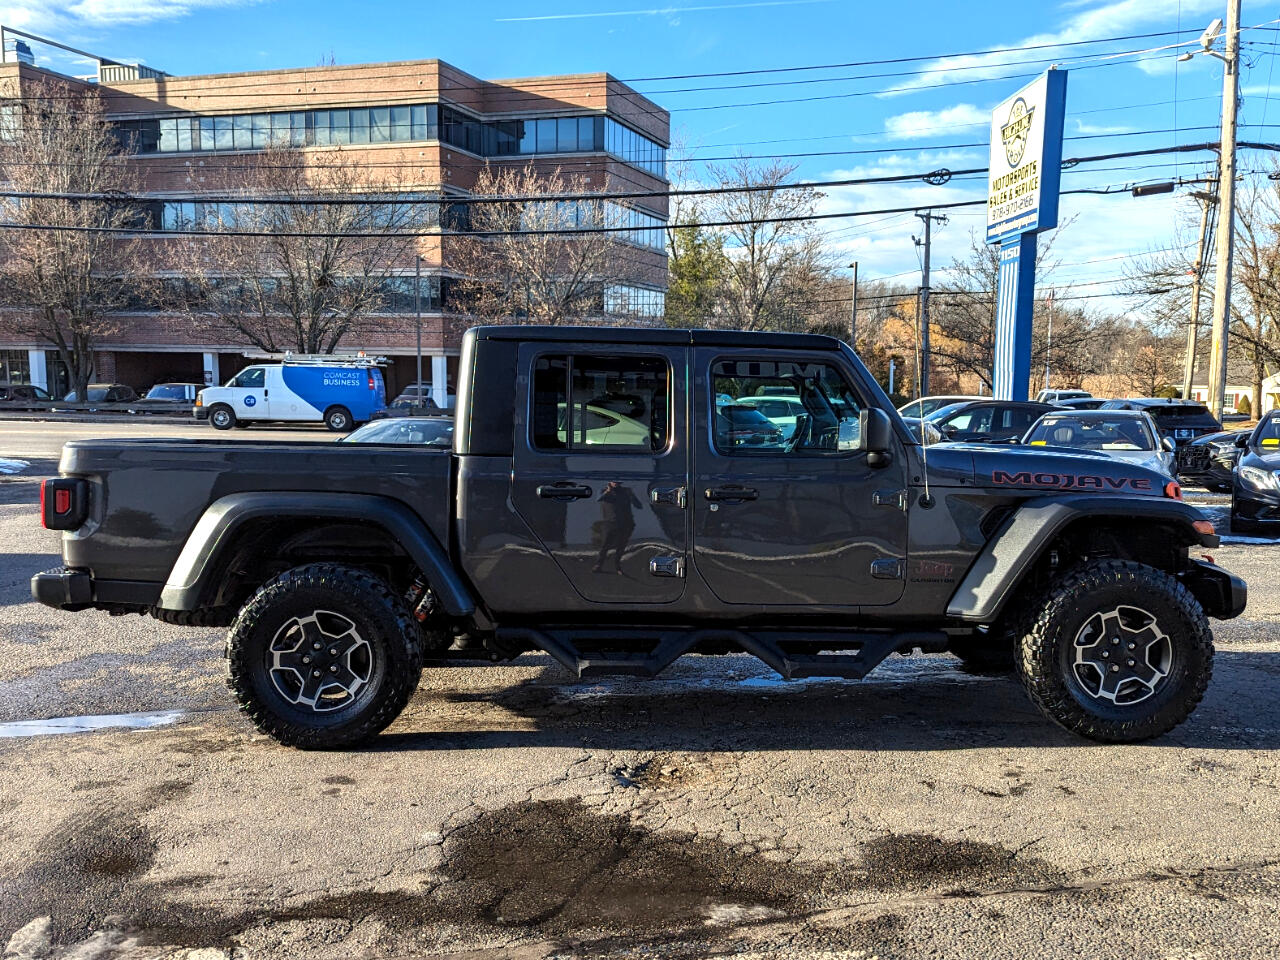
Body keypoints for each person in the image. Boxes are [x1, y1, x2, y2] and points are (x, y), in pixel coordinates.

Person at [593, 480, 641, 574]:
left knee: (621, 545)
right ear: (609, 482)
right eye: (613, 481)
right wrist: (608, 491)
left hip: (626, 523)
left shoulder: (626, 491)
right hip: (610, 523)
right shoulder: (603, 491)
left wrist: (631, 495)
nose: (616, 483)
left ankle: (617, 566)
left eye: (618, 481)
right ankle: (598, 564)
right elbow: (598, 499)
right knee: (605, 545)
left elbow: (638, 505)